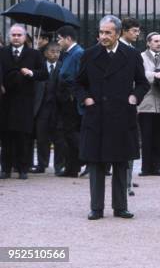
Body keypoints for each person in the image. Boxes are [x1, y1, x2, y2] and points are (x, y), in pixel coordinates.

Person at [74, 15, 149, 220]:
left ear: (117, 33)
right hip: (96, 116)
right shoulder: (89, 55)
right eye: (101, 32)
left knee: (120, 163)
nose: (103, 36)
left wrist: (135, 96)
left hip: (121, 116)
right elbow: (78, 83)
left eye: (108, 32)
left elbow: (143, 83)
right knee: (96, 164)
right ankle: (96, 208)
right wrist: (86, 98)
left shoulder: (132, 55)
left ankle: (120, 206)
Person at [0, 24, 48, 179]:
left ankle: (23, 169)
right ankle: (6, 169)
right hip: (5, 100)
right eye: (13, 35)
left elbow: (44, 74)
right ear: (9, 36)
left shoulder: (33, 54)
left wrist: (31, 72)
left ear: (24, 37)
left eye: (18, 35)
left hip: (24, 101)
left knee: (23, 136)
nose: (15, 37)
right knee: (6, 136)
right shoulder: (2, 52)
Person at [138, 32, 160, 177]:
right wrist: (155, 75)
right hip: (145, 103)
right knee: (146, 136)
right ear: (148, 43)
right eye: (155, 41)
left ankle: (156, 166)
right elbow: (139, 74)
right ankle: (146, 167)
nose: (159, 43)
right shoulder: (141, 57)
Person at [56, 25, 85, 177]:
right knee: (67, 133)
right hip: (66, 98)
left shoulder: (78, 53)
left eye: (59, 39)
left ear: (68, 38)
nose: (58, 42)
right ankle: (72, 168)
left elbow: (80, 77)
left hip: (72, 99)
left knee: (70, 132)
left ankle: (85, 155)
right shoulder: (68, 53)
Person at [30, 42, 62, 174]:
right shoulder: (40, 67)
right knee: (42, 138)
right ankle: (42, 164)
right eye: (52, 51)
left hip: (57, 108)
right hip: (42, 108)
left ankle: (59, 166)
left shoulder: (62, 67)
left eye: (58, 51)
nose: (55, 54)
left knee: (59, 138)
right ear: (45, 53)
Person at [119, 17, 141, 195]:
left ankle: (127, 182)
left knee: (130, 144)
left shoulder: (134, 51)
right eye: (134, 30)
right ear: (124, 31)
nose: (137, 34)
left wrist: (135, 96)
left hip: (129, 103)